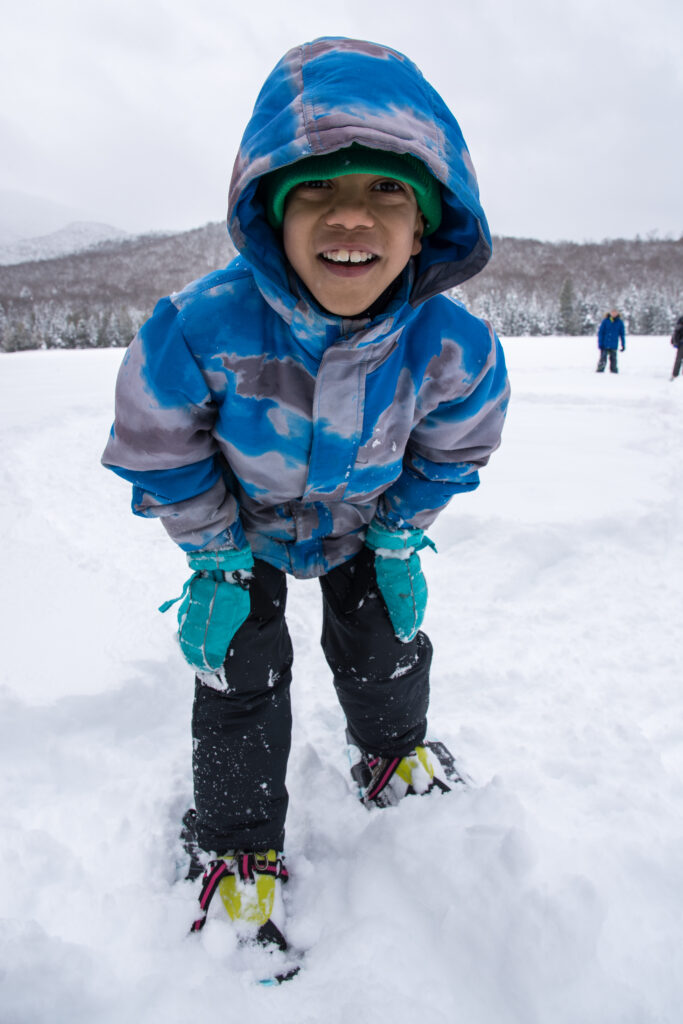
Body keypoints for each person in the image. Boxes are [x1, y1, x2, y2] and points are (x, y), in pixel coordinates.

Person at [102, 36, 510, 955]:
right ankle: (239, 844)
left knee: (384, 645)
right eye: (315, 189)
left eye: (386, 190)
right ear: (270, 216)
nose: (348, 218)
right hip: (239, 534)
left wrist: (401, 536)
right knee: (241, 674)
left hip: (361, 527)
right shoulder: (202, 325)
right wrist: (211, 551)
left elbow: (454, 448)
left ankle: (390, 749)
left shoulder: (453, 349)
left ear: (426, 224)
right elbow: (159, 443)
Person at [670, 314, 683, 380]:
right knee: (678, 360)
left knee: (678, 360)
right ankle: (675, 375)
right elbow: (677, 332)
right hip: (681, 344)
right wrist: (676, 342)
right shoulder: (681, 319)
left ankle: (675, 375)